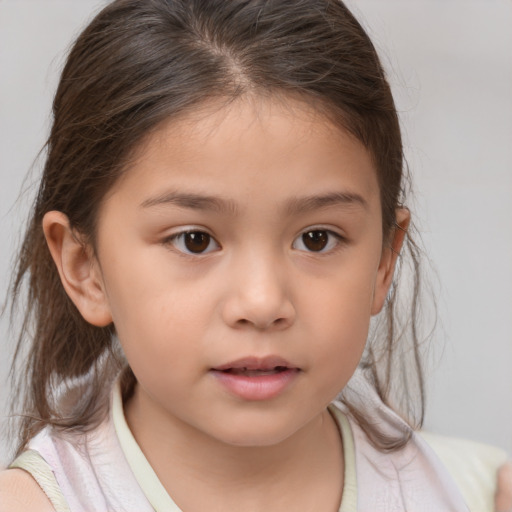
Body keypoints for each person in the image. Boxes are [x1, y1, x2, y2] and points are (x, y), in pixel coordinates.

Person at [0, 0, 510, 510]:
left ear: (382, 260)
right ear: (84, 268)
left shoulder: (475, 494)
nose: (263, 302)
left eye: (317, 239)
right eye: (194, 240)